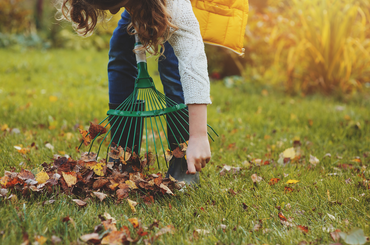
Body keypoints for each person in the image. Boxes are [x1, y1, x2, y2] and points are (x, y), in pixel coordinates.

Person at [56, 0, 249, 184]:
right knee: (121, 46)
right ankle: (123, 156)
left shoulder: (176, 7)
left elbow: (192, 57)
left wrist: (198, 136)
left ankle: (183, 157)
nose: (115, 12)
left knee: (172, 59)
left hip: (171, 6)